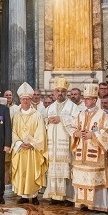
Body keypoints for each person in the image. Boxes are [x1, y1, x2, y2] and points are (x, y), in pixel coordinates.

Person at [70, 84, 108, 211]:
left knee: (93, 179)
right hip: (81, 152)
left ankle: (95, 204)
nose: (85, 101)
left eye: (88, 99)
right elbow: (72, 128)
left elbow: (107, 132)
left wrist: (92, 135)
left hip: (95, 153)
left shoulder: (102, 115)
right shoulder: (80, 114)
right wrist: (76, 133)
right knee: (82, 177)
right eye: (85, 98)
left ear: (94, 100)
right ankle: (82, 203)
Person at [10, 82, 46, 205]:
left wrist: (33, 143)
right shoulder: (16, 115)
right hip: (21, 149)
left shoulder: (37, 115)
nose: (25, 101)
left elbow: (40, 132)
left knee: (33, 171)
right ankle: (24, 196)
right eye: (23, 99)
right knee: (21, 171)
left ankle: (34, 196)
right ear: (20, 99)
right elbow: (13, 131)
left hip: (32, 150)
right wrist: (19, 143)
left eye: (27, 99)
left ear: (31, 100)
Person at [44, 76, 78, 206]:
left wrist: (61, 119)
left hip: (66, 145)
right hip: (52, 145)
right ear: (54, 93)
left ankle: (68, 197)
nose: (60, 93)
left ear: (66, 92)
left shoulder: (73, 107)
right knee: (53, 169)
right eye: (58, 91)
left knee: (67, 169)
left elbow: (77, 121)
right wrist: (48, 121)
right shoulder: (49, 107)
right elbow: (43, 121)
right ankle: (54, 196)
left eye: (63, 91)